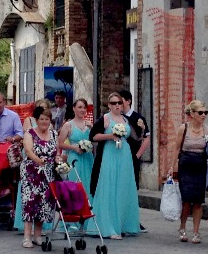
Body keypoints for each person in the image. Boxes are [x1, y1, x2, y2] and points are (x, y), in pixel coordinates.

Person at [89, 92, 141, 239]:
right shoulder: (105, 118)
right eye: (113, 103)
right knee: (109, 187)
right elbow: (93, 136)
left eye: (119, 103)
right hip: (109, 154)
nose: (117, 105)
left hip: (124, 155)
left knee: (123, 187)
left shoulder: (126, 119)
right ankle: (109, 226)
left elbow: (136, 137)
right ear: (109, 105)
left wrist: (142, 128)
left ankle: (123, 223)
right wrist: (111, 136)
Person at [173, 100, 208, 244]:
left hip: (200, 165)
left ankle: (196, 231)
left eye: (205, 112)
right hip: (186, 164)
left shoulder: (207, 130)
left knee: (198, 200)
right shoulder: (184, 128)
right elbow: (177, 148)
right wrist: (173, 167)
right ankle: (183, 227)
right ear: (192, 114)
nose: (203, 115)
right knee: (186, 200)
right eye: (200, 112)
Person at [20, 105, 58, 247]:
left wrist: (58, 159)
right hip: (31, 173)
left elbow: (56, 151)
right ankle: (27, 237)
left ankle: (37, 235)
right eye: (42, 119)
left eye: (47, 119)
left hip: (48, 173)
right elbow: (28, 151)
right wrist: (38, 160)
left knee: (43, 203)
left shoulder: (53, 134)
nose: (44, 122)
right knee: (30, 202)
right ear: (37, 120)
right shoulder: (29, 133)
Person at [121, 89, 150, 232]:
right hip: (118, 157)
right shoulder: (115, 118)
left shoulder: (138, 118)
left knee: (132, 189)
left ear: (128, 101)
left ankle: (133, 220)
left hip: (132, 157)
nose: (118, 105)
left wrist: (137, 155)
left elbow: (146, 138)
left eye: (121, 101)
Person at [57, 98, 92, 189]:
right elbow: (60, 144)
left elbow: (94, 140)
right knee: (75, 183)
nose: (82, 110)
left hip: (88, 157)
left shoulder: (88, 124)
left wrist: (92, 128)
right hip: (75, 157)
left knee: (89, 183)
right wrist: (74, 147)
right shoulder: (68, 125)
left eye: (84, 107)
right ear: (74, 108)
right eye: (80, 107)